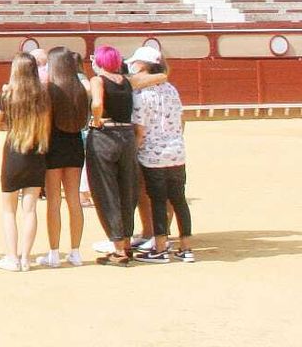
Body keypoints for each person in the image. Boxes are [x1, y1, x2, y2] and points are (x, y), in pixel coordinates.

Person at [127, 48, 195, 263]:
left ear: (144, 65)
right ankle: (186, 248)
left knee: (156, 200)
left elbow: (140, 130)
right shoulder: (171, 89)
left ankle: (160, 248)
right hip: (176, 151)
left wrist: (133, 152)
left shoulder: (141, 95)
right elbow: (181, 119)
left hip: (152, 154)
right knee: (178, 200)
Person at [0, 53, 52, 271]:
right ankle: (25, 259)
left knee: (9, 210)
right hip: (36, 153)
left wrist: (13, 128)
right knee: (30, 209)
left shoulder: (8, 96)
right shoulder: (43, 96)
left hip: (14, 152)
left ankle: (12, 257)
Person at [86, 45, 138, 266]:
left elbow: (97, 103)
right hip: (127, 135)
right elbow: (158, 76)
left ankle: (118, 249)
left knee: (106, 191)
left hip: (105, 136)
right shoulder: (127, 81)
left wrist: (96, 119)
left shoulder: (97, 80)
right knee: (127, 189)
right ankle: (126, 243)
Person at [38, 47, 89, 268]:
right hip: (75, 143)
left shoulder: (50, 89)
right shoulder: (80, 88)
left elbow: (46, 122)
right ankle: (76, 252)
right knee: (74, 200)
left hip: (53, 145)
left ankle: (54, 253)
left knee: (53, 202)